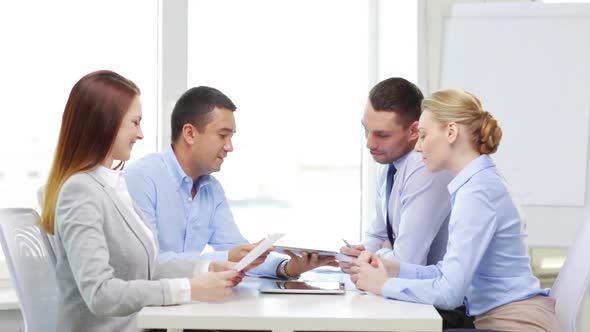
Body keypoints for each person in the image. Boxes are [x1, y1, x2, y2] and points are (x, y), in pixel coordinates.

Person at [40, 70, 242, 332]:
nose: (141, 134)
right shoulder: (80, 191)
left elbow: (148, 266)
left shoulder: (113, 185)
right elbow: (100, 293)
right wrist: (188, 289)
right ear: (106, 122)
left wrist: (206, 267)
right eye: (134, 123)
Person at [350, 89, 560, 332]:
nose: (417, 148)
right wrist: (393, 268)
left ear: (450, 133)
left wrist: (383, 285)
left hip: (516, 324)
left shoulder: (477, 193)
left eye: (423, 136)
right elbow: (445, 273)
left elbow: (449, 293)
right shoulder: (474, 184)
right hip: (498, 320)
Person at [124, 86, 335, 280]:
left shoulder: (211, 189)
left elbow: (235, 248)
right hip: (144, 311)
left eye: (231, 137)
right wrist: (229, 257)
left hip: (185, 304)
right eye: (223, 136)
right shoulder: (141, 178)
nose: (229, 147)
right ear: (190, 133)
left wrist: (287, 267)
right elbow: (148, 262)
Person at [340, 77, 452, 267]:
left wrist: (374, 255)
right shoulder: (387, 163)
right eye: (366, 130)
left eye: (382, 135)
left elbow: (407, 260)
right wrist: (359, 253)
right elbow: (378, 235)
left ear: (414, 130)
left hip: (447, 291)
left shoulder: (425, 165)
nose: (370, 143)